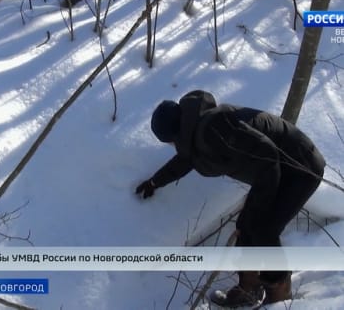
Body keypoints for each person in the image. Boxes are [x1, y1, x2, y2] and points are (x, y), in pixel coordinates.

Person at [135, 90, 325, 308]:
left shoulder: (215, 127)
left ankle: (279, 295)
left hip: (301, 166)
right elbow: (186, 160)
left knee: (264, 228)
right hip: (280, 170)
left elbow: (268, 154)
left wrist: (260, 201)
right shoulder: (199, 130)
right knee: (248, 225)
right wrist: (155, 182)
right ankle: (249, 288)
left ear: (172, 136)